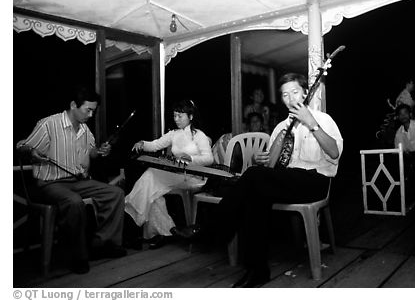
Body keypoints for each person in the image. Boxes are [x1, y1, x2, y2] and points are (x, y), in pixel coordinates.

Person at [189, 73, 343, 287]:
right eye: (285, 95)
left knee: (253, 179)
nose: (290, 99)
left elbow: (334, 153)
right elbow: (271, 166)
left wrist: (312, 124)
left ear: (306, 93)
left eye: (295, 92)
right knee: (255, 194)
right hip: (288, 181)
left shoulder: (323, 119)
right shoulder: (281, 128)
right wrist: (261, 159)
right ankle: (257, 270)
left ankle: (212, 232)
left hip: (315, 181)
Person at [16, 86, 126, 274]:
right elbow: (22, 146)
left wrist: (99, 151)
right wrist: (32, 152)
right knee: (74, 202)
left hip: (79, 181)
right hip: (50, 184)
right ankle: (78, 255)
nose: (91, 115)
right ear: (73, 105)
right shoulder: (49, 124)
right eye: (88, 110)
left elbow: (91, 152)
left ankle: (101, 244)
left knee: (116, 193)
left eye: (94, 110)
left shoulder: (84, 129)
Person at [125, 99, 214, 249]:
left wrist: (191, 158)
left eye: (180, 116)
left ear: (190, 117)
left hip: (195, 177)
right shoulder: (174, 134)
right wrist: (142, 143)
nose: (176, 119)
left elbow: (209, 158)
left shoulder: (199, 135)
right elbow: (155, 144)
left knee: (151, 175)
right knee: (153, 192)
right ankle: (168, 231)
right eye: (174, 116)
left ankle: (130, 217)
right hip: (178, 174)